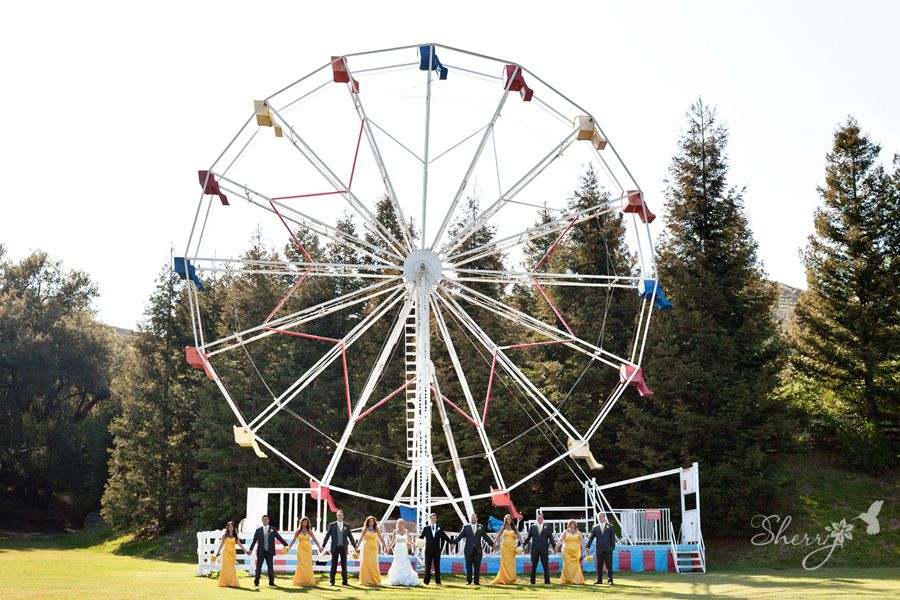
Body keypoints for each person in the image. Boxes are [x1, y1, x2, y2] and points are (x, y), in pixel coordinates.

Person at [451, 513, 492, 585]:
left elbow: (486, 537)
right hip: (468, 550)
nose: (473, 519)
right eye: (472, 518)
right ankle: (468, 581)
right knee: (468, 566)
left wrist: (492, 544)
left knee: (477, 566)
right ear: (470, 519)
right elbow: (460, 536)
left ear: (477, 519)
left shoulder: (480, 527)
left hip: (478, 550)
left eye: (474, 518)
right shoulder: (465, 527)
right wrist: (453, 543)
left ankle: (476, 581)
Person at [248, 515, 288, 587]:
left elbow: (279, 537)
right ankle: (256, 582)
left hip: (270, 551)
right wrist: (250, 550)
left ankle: (271, 582)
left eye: (266, 519)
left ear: (268, 520)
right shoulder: (258, 530)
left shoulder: (273, 529)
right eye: (264, 519)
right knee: (258, 567)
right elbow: (254, 541)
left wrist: (286, 545)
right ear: (262, 521)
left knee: (270, 567)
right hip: (261, 551)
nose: (265, 521)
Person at [322, 510, 358, 586]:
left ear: (343, 516)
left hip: (343, 547)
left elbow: (350, 536)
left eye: (341, 515)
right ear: (337, 516)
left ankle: (345, 581)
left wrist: (355, 546)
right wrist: (323, 545)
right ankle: (332, 581)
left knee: (344, 565)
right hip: (335, 547)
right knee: (333, 564)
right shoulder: (332, 525)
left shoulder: (346, 525)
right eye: (339, 515)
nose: (340, 516)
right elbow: (327, 536)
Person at [284, 516, 323, 586]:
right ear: (301, 522)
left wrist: (319, 547)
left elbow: (314, 539)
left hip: (308, 549)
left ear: (308, 523)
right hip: (300, 549)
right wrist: (289, 547)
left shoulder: (309, 530)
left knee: (308, 565)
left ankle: (308, 581)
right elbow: (294, 540)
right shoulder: (297, 531)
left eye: (306, 522)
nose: (305, 523)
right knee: (301, 564)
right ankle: (300, 581)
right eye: (303, 521)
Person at [212, 521, 248, 588]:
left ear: (234, 528)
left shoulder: (236, 536)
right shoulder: (224, 536)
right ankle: (224, 583)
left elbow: (240, 544)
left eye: (232, 526)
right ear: (227, 527)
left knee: (232, 569)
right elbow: (221, 545)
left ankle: (232, 583)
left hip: (232, 554)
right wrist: (217, 553)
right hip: (226, 554)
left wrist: (245, 551)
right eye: (229, 526)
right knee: (225, 568)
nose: (230, 528)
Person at [419, 513, 451, 585]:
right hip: (428, 550)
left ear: (436, 519)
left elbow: (444, 536)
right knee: (428, 566)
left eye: (434, 518)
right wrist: (417, 543)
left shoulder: (439, 528)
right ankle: (426, 581)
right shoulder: (426, 528)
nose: (433, 519)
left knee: (437, 566)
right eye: (432, 518)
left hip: (436, 550)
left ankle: (438, 581)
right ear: (429, 519)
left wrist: (451, 542)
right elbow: (421, 537)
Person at [490, 513, 523, 585]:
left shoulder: (514, 527)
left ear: (511, 519)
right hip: (504, 547)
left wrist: (522, 544)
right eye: (507, 519)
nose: (509, 520)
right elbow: (498, 536)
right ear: (505, 520)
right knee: (504, 563)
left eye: (510, 518)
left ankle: (511, 579)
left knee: (511, 563)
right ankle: (504, 578)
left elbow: (519, 536)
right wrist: (494, 543)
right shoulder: (503, 527)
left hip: (512, 547)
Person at [524, 512, 556, 585]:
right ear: (536, 519)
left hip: (544, 549)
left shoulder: (547, 527)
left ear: (543, 518)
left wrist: (554, 547)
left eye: (541, 518)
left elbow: (551, 538)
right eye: (538, 518)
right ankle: (532, 581)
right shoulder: (532, 527)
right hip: (534, 550)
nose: (540, 519)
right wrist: (523, 544)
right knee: (533, 566)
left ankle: (547, 582)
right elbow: (528, 537)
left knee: (545, 566)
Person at [385, 518, 420, 586]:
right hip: (397, 549)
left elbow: (408, 541)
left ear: (403, 524)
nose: (400, 524)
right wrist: (388, 548)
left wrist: (414, 544)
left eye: (402, 523)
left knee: (405, 562)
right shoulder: (395, 531)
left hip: (404, 549)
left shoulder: (406, 531)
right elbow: (393, 542)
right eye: (399, 523)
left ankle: (406, 578)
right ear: (397, 524)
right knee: (397, 562)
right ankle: (396, 578)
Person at [585, 512, 616, 585]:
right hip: (599, 550)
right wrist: (587, 546)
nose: (600, 518)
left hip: (608, 549)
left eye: (601, 516)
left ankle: (610, 580)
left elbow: (613, 538)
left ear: (604, 517)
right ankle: (599, 580)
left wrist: (612, 547)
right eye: (599, 517)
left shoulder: (610, 526)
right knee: (599, 566)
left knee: (609, 566)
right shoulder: (595, 527)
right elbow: (591, 538)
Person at [358, 516, 387, 586]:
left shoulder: (376, 529)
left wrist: (385, 546)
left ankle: (374, 580)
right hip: (367, 548)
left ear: (374, 522)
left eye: (372, 521)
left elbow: (381, 537)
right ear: (368, 522)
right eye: (370, 521)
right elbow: (361, 538)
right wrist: (357, 546)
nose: (371, 522)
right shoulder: (365, 529)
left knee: (374, 563)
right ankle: (365, 580)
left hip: (374, 548)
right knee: (366, 563)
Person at [555, 519, 585, 584]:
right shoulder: (565, 532)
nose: (572, 525)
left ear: (575, 525)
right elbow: (560, 540)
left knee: (576, 564)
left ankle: (576, 580)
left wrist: (586, 549)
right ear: (568, 525)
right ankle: (566, 580)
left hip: (576, 551)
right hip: (566, 551)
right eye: (570, 524)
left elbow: (582, 542)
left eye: (573, 524)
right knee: (567, 565)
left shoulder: (579, 533)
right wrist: (556, 547)